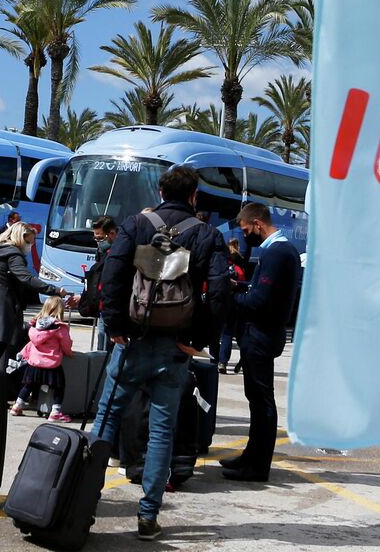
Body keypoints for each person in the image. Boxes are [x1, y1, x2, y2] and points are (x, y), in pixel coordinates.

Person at [90, 165, 228, 541]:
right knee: (162, 430)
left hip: (132, 342)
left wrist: (115, 325)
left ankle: (82, 499)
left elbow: (114, 273)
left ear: (161, 190)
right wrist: (198, 338)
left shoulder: (136, 224)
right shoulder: (207, 234)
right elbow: (217, 292)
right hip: (176, 347)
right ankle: (148, 516)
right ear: (194, 196)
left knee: (106, 419)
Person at [219, 202, 299, 482]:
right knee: (256, 399)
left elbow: (259, 300)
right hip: (263, 334)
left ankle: (257, 465)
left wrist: (231, 298)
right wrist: (241, 287)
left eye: (245, 230)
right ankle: (251, 457)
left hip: (262, 335)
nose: (244, 236)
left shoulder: (277, 253)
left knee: (262, 400)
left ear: (257, 224)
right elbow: (260, 290)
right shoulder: (279, 251)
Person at [0, 221, 61, 372]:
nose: (30, 246)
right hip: (2, 311)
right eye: (29, 242)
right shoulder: (13, 254)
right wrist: (55, 290)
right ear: (20, 237)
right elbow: (26, 278)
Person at [12, 295, 75, 421]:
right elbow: (66, 344)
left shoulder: (35, 325)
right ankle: (55, 412)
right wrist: (69, 353)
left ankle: (17, 406)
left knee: (28, 386)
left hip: (34, 364)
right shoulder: (59, 327)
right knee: (59, 387)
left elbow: (31, 343)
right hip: (52, 365)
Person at [216, 238, 248, 375]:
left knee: (225, 333)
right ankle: (245, 359)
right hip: (238, 301)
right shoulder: (240, 261)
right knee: (239, 333)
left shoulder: (222, 260)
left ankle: (222, 361)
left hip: (224, 300)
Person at [84, 215, 118, 344]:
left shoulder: (117, 253)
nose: (97, 241)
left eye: (100, 238)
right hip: (102, 307)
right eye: (95, 238)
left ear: (112, 234)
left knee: (106, 347)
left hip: (110, 309)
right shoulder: (102, 252)